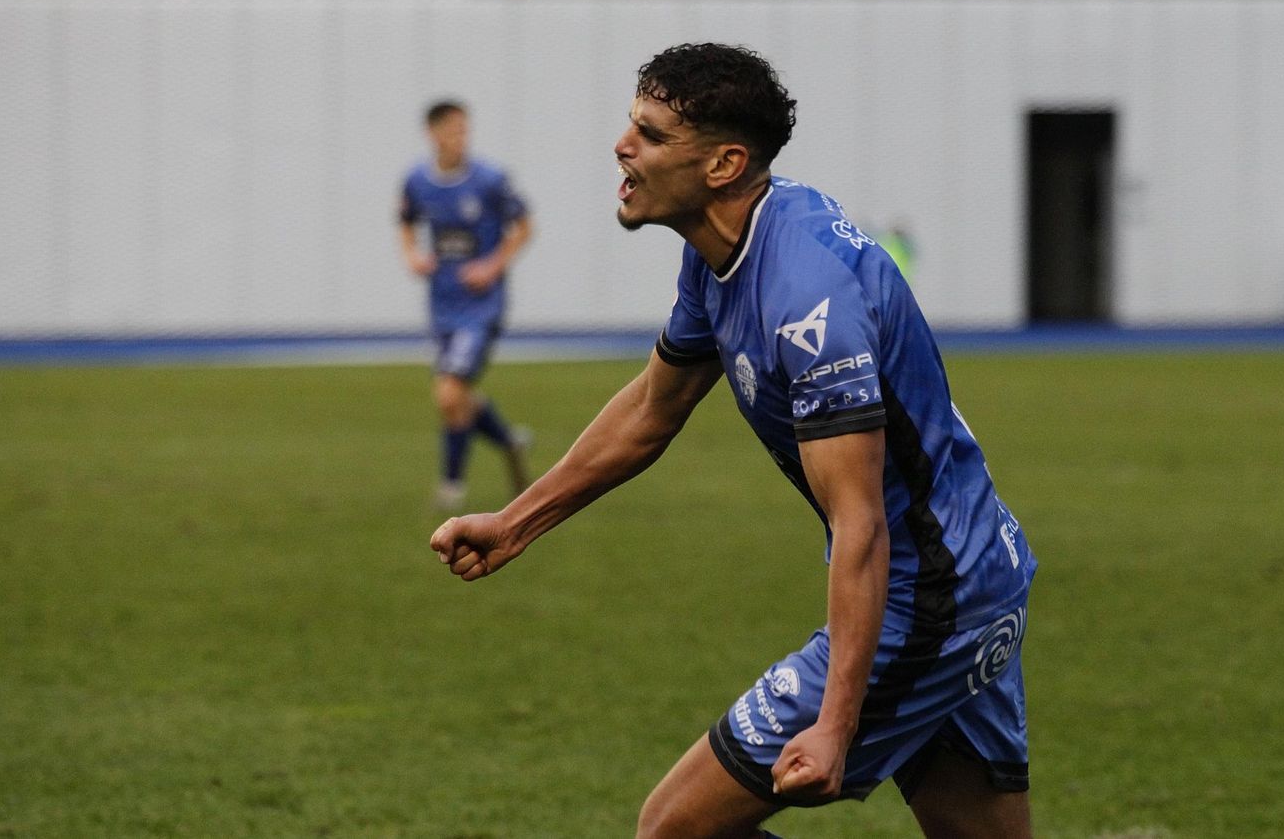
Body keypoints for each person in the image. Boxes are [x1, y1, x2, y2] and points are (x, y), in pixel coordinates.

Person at [429, 44, 1037, 839]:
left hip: (930, 600)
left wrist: (835, 722)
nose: (623, 145)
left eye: (649, 134)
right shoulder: (722, 250)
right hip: (976, 571)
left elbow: (861, 525)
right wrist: (516, 522)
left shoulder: (805, 301)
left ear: (723, 164)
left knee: (674, 831)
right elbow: (653, 408)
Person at [400, 99, 534, 511]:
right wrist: (413, 256)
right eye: (453, 130)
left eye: (465, 130)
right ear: (433, 134)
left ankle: (452, 486)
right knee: (457, 398)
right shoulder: (417, 182)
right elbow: (407, 223)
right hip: (442, 302)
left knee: (448, 392)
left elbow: (524, 226)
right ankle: (508, 441)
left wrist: (493, 266)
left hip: (481, 305)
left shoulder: (490, 180)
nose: (461, 138)